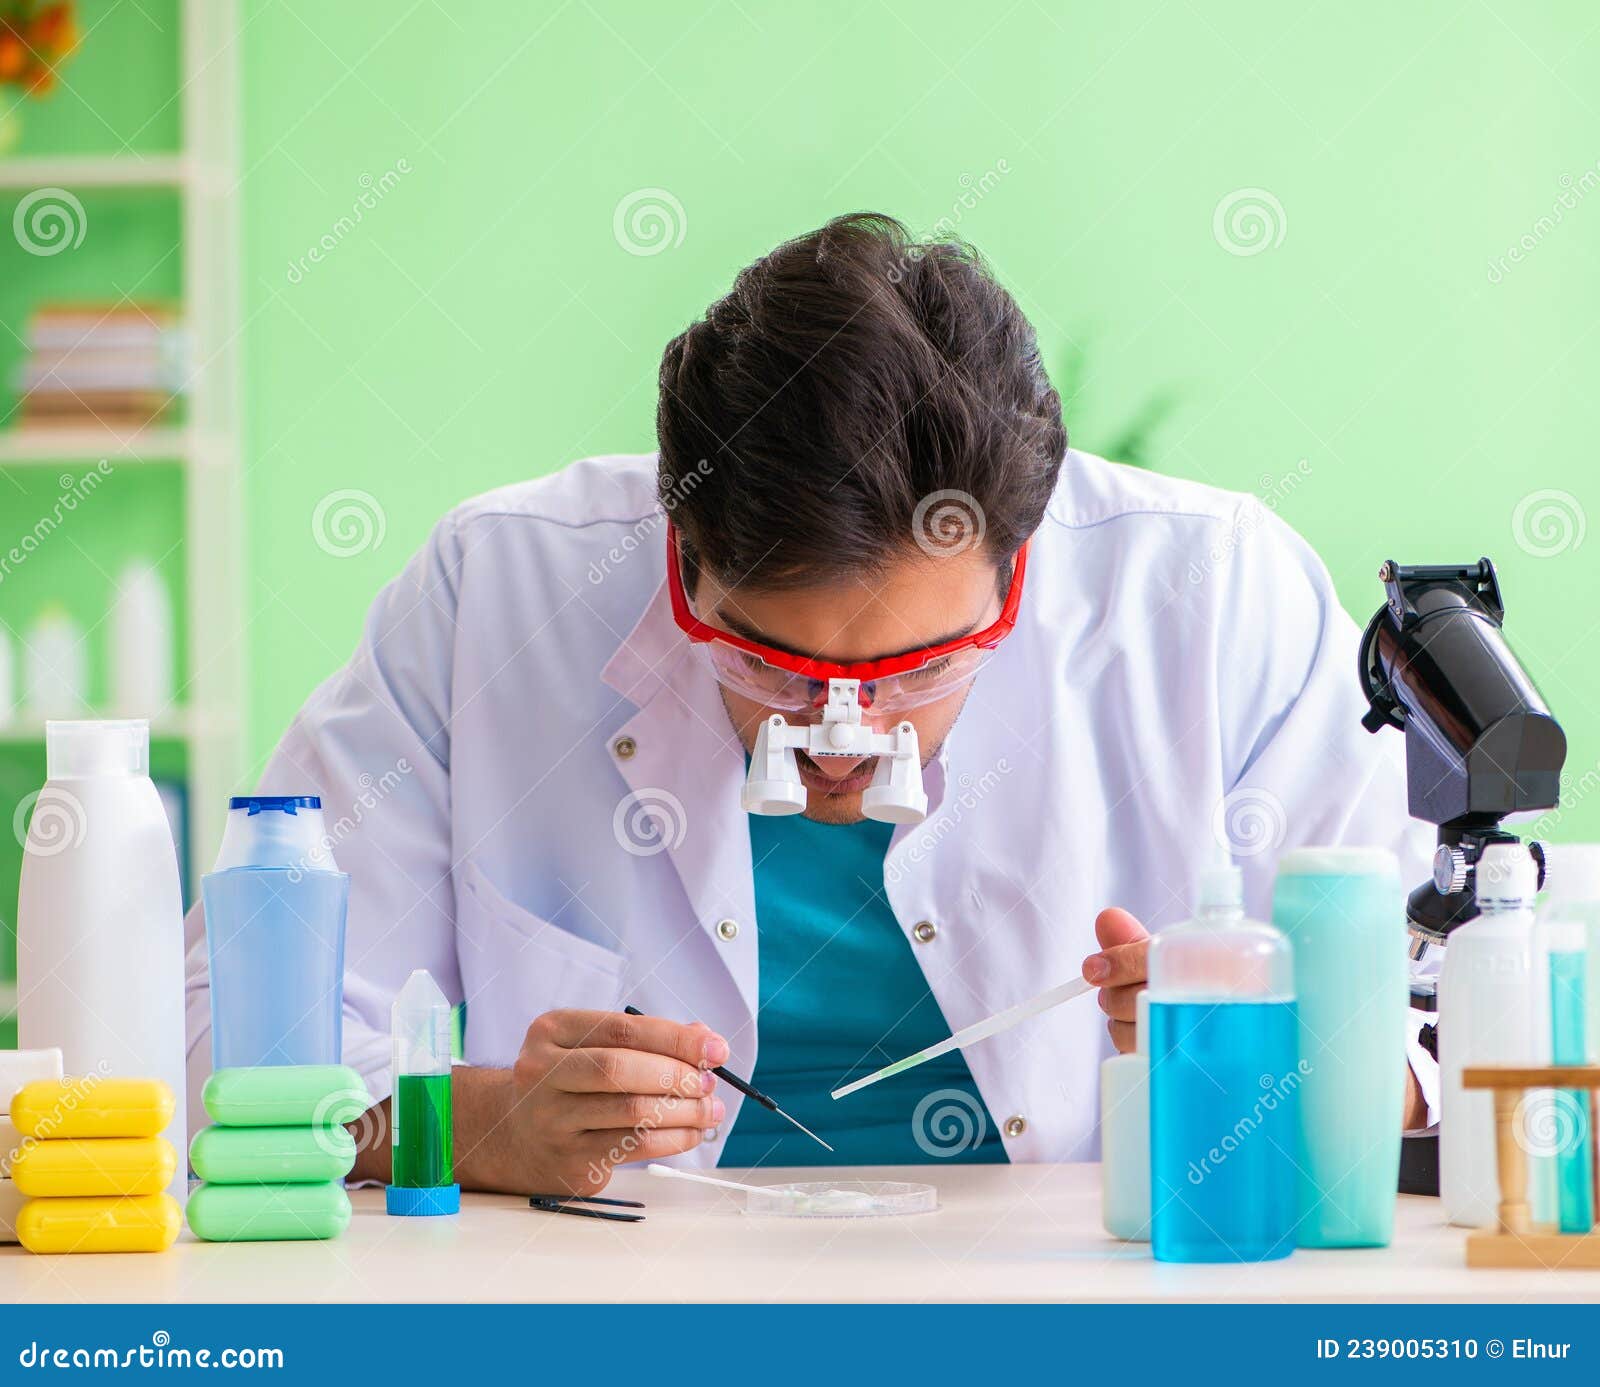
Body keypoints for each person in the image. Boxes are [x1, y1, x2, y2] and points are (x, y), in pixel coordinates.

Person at [183, 212, 1438, 1195]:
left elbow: (1447, 1038)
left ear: (1021, 559)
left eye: (921, 669)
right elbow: (209, 1047)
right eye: (769, 665)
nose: (844, 736)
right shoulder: (498, 595)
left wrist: (1277, 1065)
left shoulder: (1211, 595)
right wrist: (464, 1120)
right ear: (679, 552)